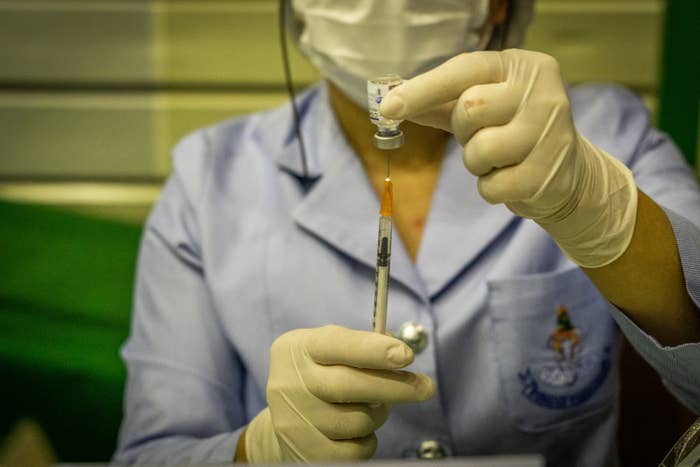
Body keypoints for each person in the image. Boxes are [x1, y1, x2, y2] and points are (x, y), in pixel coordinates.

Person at [113, 1, 700, 465]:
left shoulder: (600, 137)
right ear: (296, 7)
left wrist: (598, 208)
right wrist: (258, 452)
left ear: (497, 4)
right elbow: (150, 454)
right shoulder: (208, 179)